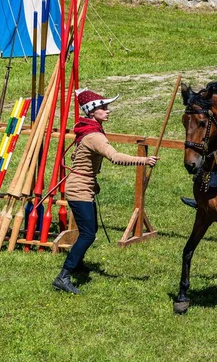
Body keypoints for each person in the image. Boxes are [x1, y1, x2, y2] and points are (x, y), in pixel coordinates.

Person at [52, 88, 159, 294]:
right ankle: (63, 276)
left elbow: (80, 161)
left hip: (85, 185)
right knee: (88, 234)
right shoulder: (93, 136)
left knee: (89, 232)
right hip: (79, 189)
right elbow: (115, 157)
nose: (108, 110)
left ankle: (78, 264)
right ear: (92, 112)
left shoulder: (91, 130)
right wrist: (143, 160)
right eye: (103, 107)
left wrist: (93, 181)